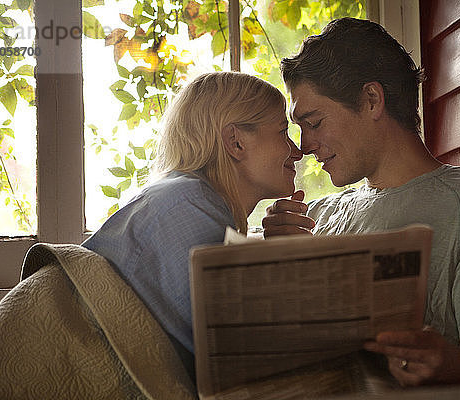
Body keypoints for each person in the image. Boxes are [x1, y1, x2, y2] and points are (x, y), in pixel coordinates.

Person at [262, 17, 460, 386]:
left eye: (314, 122)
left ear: (371, 100)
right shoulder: (316, 216)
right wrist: (274, 259)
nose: (304, 146)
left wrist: (443, 363)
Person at [83, 71, 302, 363]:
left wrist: (274, 257)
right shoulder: (187, 205)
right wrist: (291, 267)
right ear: (235, 142)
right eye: (282, 132)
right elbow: (240, 352)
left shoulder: (190, 202)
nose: (298, 152)